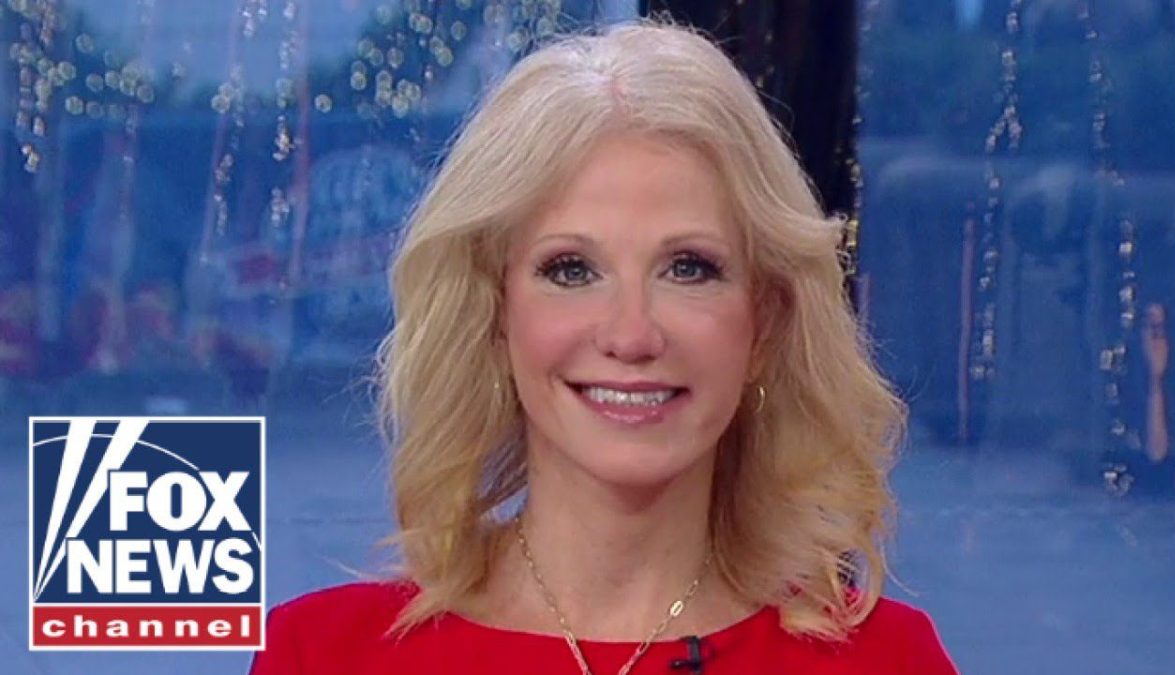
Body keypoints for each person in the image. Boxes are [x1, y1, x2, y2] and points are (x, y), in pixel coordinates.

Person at [249, 18, 959, 674]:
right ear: (496, 313)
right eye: (571, 270)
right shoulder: (321, 654)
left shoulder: (888, 660)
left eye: (689, 268)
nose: (631, 335)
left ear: (765, 321)